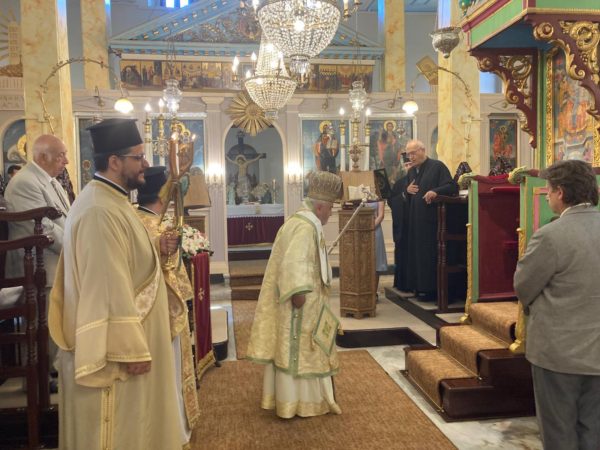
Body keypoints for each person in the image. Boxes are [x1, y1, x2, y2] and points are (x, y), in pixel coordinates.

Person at [49, 118, 184, 450]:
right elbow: (105, 284)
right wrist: (130, 348)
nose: (145, 164)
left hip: (128, 342)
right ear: (114, 161)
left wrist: (155, 248)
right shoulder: (99, 210)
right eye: (138, 157)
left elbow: (124, 259)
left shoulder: (112, 200)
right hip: (115, 355)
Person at [514, 160, 600, 450]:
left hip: (558, 352)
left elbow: (524, 286)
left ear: (560, 192)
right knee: (594, 431)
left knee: (559, 432)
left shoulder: (550, 235)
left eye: (549, 191)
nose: (547, 196)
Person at [246, 171, 343, 419]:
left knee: (302, 347)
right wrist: (299, 293)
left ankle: (297, 400)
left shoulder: (298, 221)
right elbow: (294, 262)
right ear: (319, 207)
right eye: (330, 208)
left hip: (307, 299)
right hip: (302, 302)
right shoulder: (305, 227)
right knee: (301, 349)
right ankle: (301, 402)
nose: (330, 213)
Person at [136, 166, 200, 445]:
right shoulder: (156, 226)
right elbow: (168, 270)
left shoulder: (135, 218)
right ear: (166, 192)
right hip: (162, 310)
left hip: (147, 311)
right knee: (168, 369)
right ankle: (171, 428)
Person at [5, 135, 70, 390]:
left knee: (57, 320)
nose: (66, 161)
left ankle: (53, 369)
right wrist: (76, 247)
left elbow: (66, 221)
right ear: (42, 157)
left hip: (56, 262)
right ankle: (39, 378)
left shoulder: (52, 182)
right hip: (36, 266)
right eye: (61, 155)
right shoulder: (24, 183)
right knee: (43, 321)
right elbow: (43, 227)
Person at [403, 139, 457, 300]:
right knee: (417, 256)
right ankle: (419, 287)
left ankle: (431, 290)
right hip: (416, 222)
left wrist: (435, 191)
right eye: (408, 154)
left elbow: (451, 186)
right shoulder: (412, 172)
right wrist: (407, 190)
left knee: (429, 256)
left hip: (432, 222)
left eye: (413, 153)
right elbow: (408, 195)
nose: (411, 157)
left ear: (422, 150)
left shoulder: (437, 167)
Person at [365, 200, 387, 296]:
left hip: (375, 230)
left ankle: (373, 293)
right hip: (361, 230)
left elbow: (381, 215)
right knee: (364, 262)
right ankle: (364, 292)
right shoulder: (359, 194)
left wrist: (371, 226)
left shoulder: (379, 196)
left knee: (376, 262)